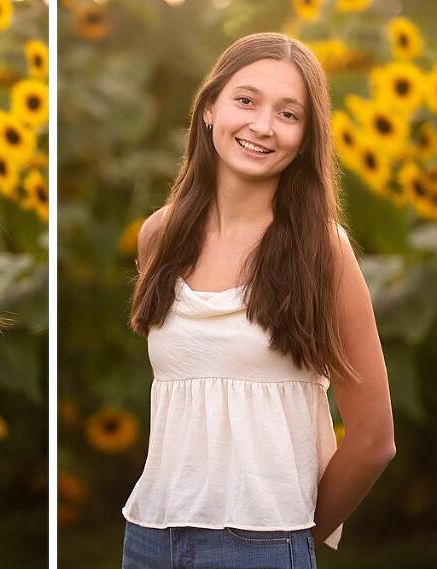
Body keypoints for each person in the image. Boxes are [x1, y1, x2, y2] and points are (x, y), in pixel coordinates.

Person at [121, 32, 395, 569]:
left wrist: (294, 537)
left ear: (305, 136)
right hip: (149, 538)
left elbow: (374, 439)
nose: (263, 126)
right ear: (208, 109)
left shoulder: (323, 250)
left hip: (263, 543)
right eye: (246, 100)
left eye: (288, 114)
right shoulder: (159, 235)